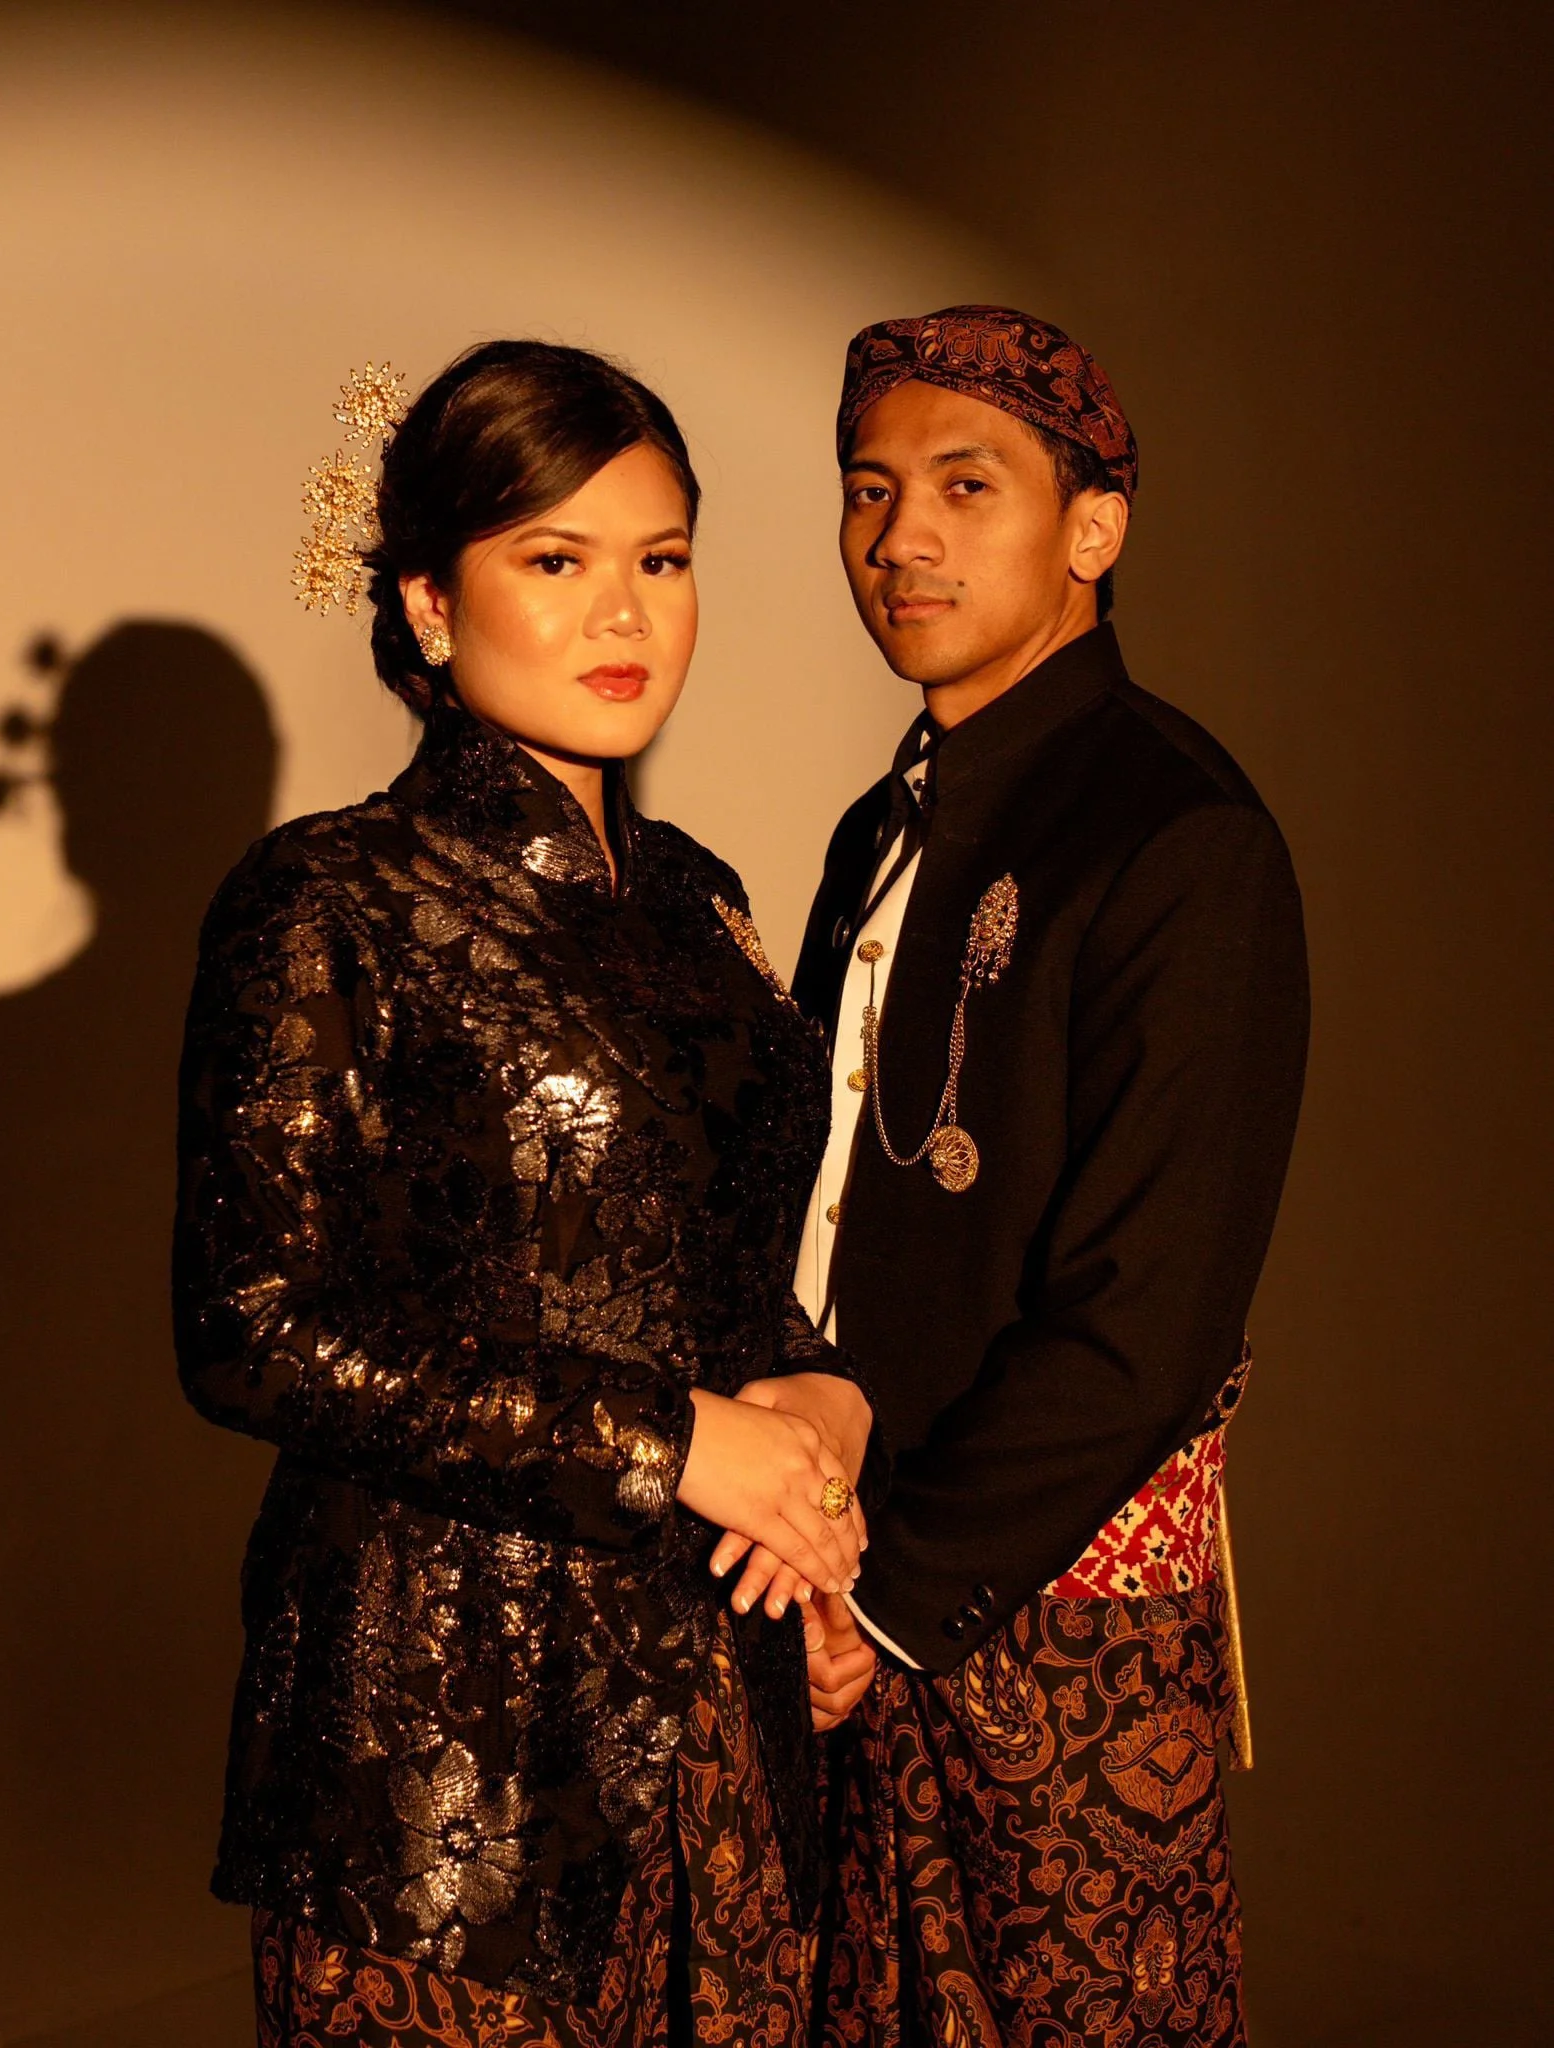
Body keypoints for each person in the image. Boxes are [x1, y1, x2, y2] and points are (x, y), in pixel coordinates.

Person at [172, 340, 875, 2047]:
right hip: (440, 1741)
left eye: (661, 561)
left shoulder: (698, 901)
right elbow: (252, 1334)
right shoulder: (327, 898)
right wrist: (672, 1444)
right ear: (429, 602)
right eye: (553, 563)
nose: (621, 615)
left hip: (725, 1703)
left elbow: (726, 1268)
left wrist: (819, 1423)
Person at [789, 307, 1309, 2044]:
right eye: (869, 490)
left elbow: (1146, 1322)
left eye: (963, 483)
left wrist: (881, 1593)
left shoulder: (1175, 833)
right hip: (846, 1574)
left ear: (1091, 529)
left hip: (1046, 1628)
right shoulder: (888, 824)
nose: (901, 538)